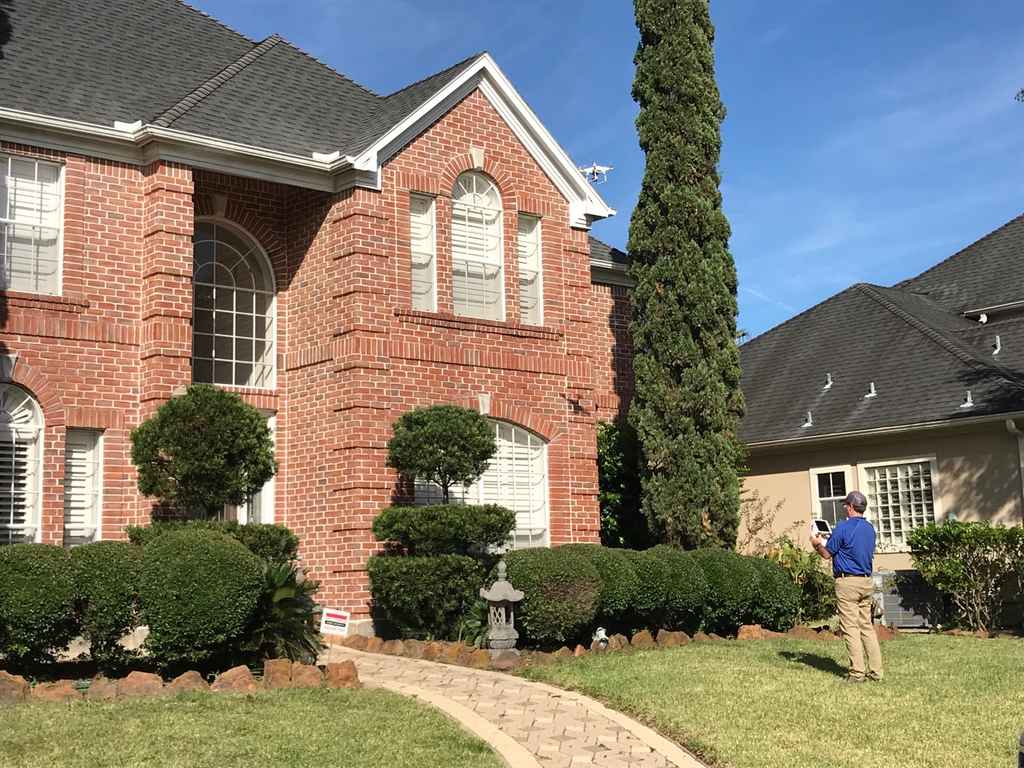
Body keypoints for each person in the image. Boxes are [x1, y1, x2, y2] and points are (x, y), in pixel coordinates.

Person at [810, 490, 883, 683]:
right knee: (866, 626)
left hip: (847, 582)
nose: (844, 507)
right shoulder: (870, 529)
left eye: (845, 505)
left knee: (850, 627)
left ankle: (857, 673)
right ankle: (876, 672)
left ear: (850, 507)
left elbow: (827, 554)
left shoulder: (842, 527)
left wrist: (817, 544)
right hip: (866, 581)